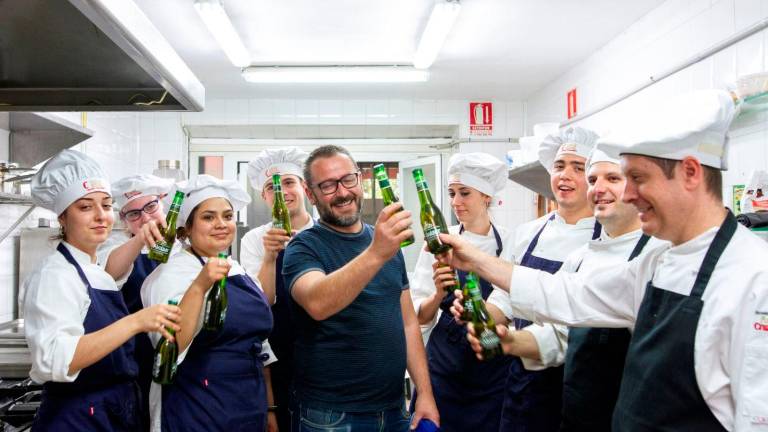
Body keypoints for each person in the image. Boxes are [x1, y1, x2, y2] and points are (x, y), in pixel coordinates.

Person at [437, 89, 768, 431]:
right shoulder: (658, 260)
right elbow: (572, 295)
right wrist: (476, 261)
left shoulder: (755, 277)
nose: (627, 194)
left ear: (690, 173)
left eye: (636, 178)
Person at [459, 147, 663, 431]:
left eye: (613, 179)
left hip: (626, 412)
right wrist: (509, 341)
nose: (598, 188)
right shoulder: (583, 256)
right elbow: (561, 328)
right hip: (572, 405)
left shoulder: (657, 254)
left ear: (637, 189)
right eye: (593, 180)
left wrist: (478, 261)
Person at [282, 145, 440, 431]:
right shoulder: (303, 247)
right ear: (310, 193)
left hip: (394, 410)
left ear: (360, 179)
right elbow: (318, 303)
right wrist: (377, 252)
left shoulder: (386, 243)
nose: (342, 192)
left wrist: (425, 394)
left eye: (348, 180)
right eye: (328, 185)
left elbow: (407, 323)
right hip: (330, 417)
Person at [23, 149, 180, 431]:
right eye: (85, 207)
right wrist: (135, 321)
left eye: (106, 206)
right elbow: (56, 361)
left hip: (110, 412)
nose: (100, 216)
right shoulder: (55, 274)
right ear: (62, 217)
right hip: (77, 418)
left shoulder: (95, 272)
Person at [141, 174, 276, 431]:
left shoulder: (239, 271)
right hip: (195, 408)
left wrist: (270, 407)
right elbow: (170, 349)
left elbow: (261, 346)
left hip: (248, 403)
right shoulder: (170, 274)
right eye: (208, 217)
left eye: (227, 216)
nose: (221, 224)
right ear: (186, 229)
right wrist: (200, 285)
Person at [495, 126, 601, 431]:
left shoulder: (603, 240)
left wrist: (512, 341)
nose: (564, 175)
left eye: (577, 168)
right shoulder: (528, 233)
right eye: (559, 166)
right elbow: (505, 293)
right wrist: (483, 318)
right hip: (522, 378)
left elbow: (571, 327)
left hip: (575, 382)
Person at [409, 152, 514, 431]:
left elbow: (512, 304)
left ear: (486, 197)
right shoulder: (439, 243)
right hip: (443, 364)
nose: (455, 202)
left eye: (464, 193)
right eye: (452, 193)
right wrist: (436, 294)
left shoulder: (512, 243)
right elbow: (418, 315)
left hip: (491, 360)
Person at [240, 147, 314, 432]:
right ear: (264, 196)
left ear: (305, 188)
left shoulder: (326, 233)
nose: (282, 192)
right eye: (272, 187)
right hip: (277, 353)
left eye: (289, 183)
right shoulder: (254, 240)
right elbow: (263, 301)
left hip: (323, 351)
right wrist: (270, 256)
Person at [97, 173, 176, 430]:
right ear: (125, 221)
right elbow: (109, 271)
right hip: (137, 363)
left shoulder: (186, 248)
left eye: (151, 207)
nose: (145, 217)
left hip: (184, 358)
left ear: (163, 203)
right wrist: (141, 238)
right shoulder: (120, 250)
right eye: (134, 214)